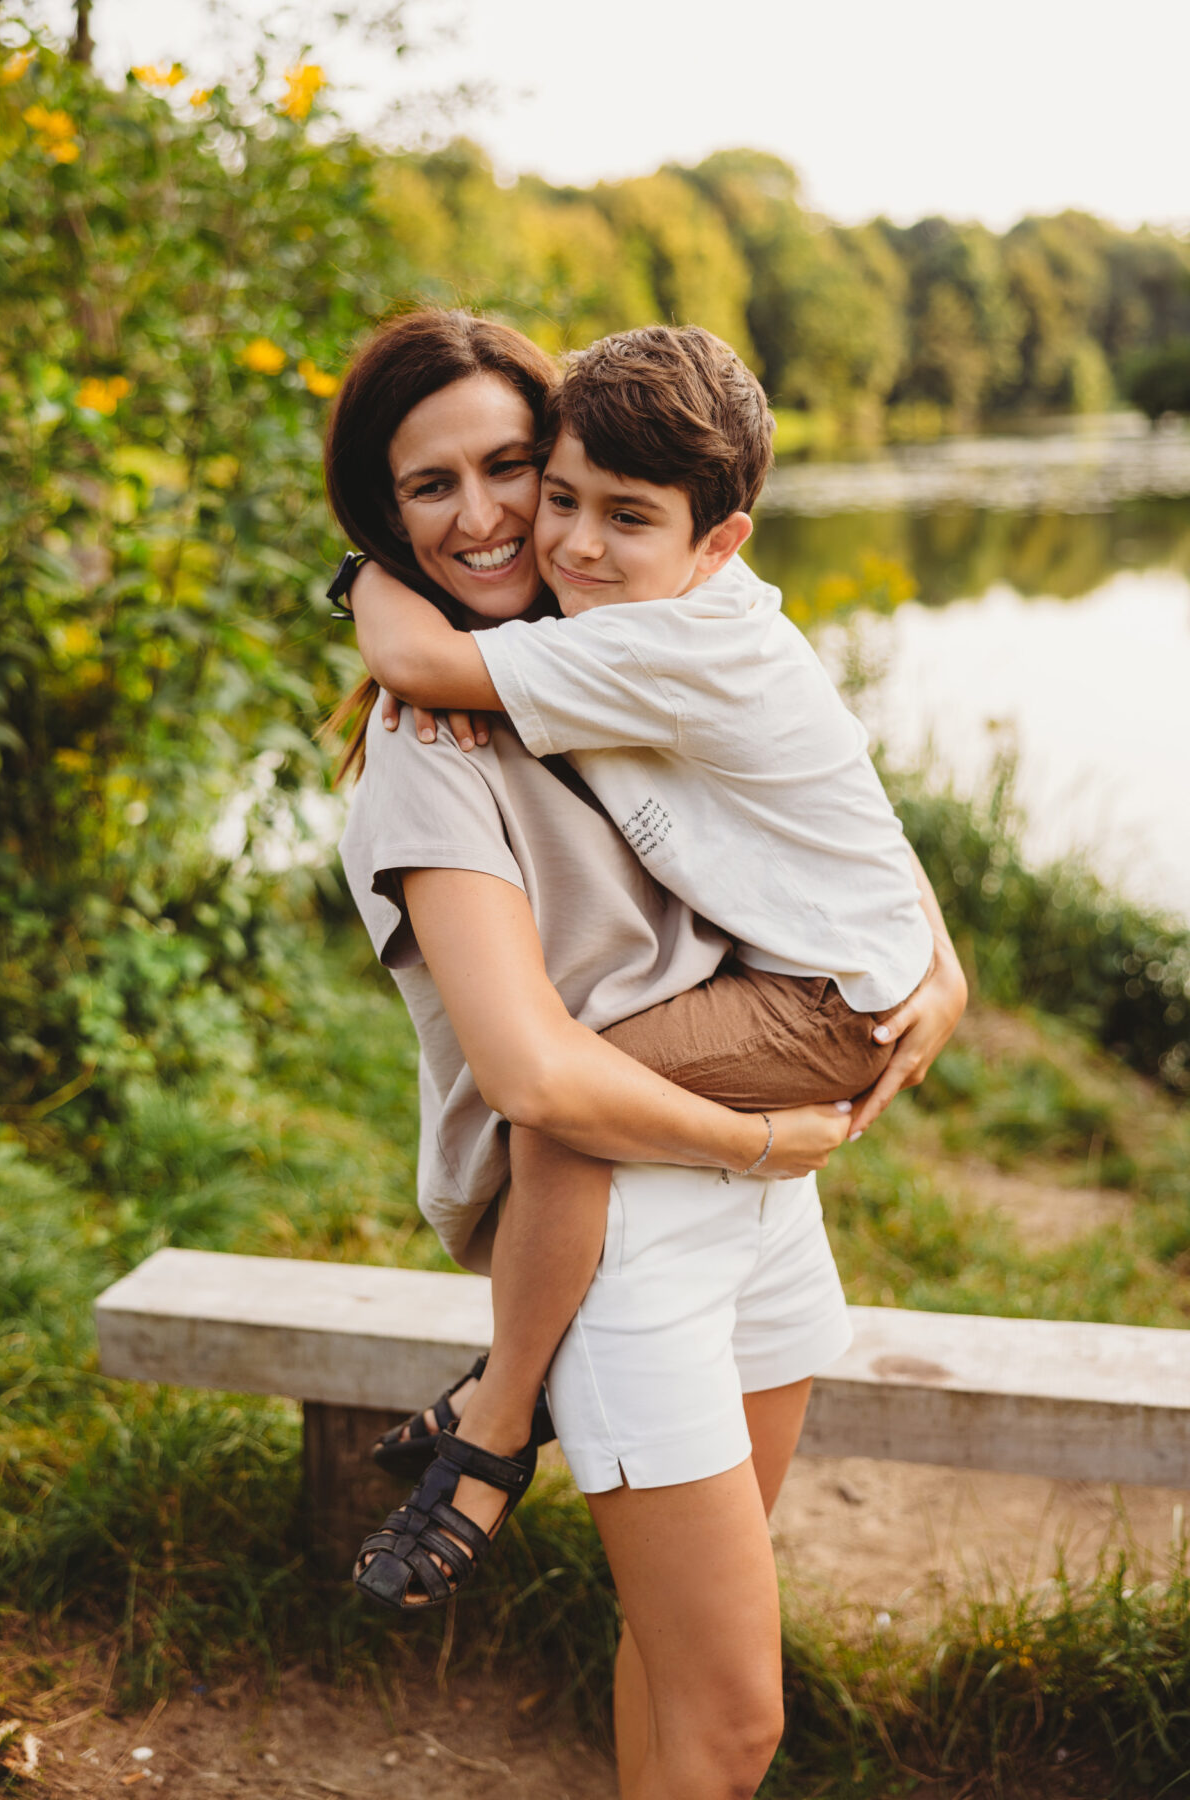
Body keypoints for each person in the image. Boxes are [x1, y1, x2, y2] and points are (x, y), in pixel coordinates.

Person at [329, 308, 965, 1798]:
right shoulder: (441, 749)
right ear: (384, 512)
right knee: (738, 1719)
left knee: (675, 1671)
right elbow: (542, 1082)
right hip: (628, 1227)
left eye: (515, 468)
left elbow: (828, 818)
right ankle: (491, 1434)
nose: (496, 518)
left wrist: (939, 966)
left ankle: (498, 1404)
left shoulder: (610, 642)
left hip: (758, 1213)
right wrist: (764, 1135)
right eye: (433, 489)